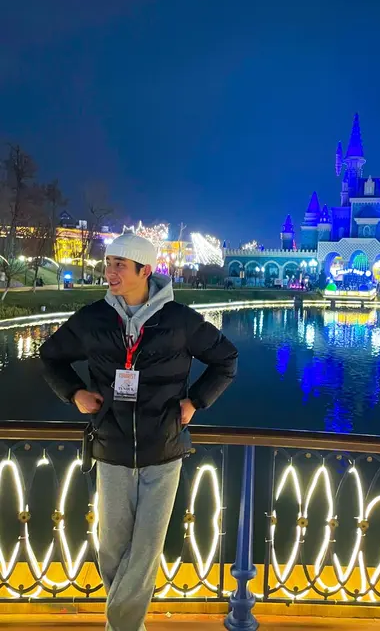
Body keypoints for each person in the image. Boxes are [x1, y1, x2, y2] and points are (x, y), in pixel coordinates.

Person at [39, 233, 238, 631]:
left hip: (163, 449)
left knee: (146, 548)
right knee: (112, 548)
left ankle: (122, 626)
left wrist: (195, 401)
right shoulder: (94, 319)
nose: (109, 271)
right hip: (111, 446)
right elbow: (50, 356)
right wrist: (74, 392)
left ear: (145, 271)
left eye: (119, 265)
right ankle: (129, 625)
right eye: (108, 263)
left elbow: (226, 359)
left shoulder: (179, 321)